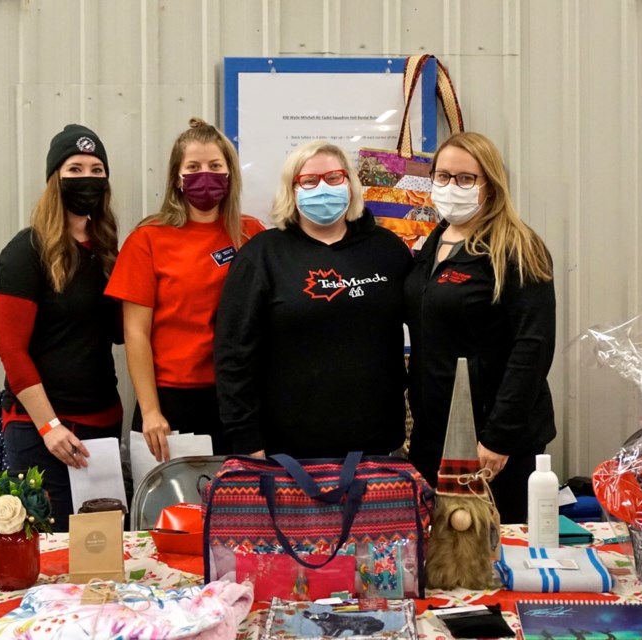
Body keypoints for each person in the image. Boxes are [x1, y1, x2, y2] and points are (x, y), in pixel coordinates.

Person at [214, 140, 413, 459]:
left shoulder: (388, 250)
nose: (323, 187)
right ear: (292, 191)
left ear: (350, 183)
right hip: (287, 452)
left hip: (377, 446)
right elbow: (233, 354)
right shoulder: (263, 256)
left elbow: (426, 326)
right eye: (309, 181)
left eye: (334, 178)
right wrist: (246, 440)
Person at [404, 131, 556, 524]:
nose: (451, 187)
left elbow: (533, 347)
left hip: (493, 440)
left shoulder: (518, 248)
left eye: (465, 178)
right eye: (442, 176)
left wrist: (499, 437)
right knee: (440, 557)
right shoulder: (432, 245)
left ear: (490, 185)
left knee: (495, 557)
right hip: (434, 434)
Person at [105, 118, 265, 463]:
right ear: (177, 178)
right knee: (166, 514)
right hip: (170, 401)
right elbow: (135, 333)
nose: (204, 174)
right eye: (193, 167)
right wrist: (150, 411)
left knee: (237, 510)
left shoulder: (252, 235)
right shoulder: (147, 238)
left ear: (230, 174)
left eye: (215, 166)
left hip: (237, 399)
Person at [0, 123, 123, 532]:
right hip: (43, 433)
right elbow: (11, 348)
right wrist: (49, 426)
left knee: (99, 552)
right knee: (49, 552)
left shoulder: (106, 252)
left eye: (96, 170)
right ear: (55, 180)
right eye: (75, 169)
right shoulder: (26, 251)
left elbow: (122, 332)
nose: (87, 179)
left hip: (101, 427)